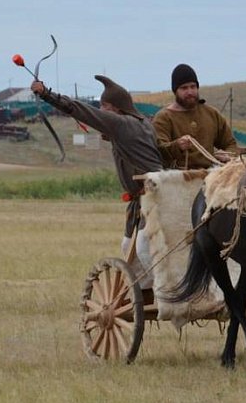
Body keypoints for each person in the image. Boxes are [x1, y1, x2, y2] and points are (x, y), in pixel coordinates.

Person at [31, 75, 162, 290]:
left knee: (143, 249)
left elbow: (81, 110)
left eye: (105, 107)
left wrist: (46, 94)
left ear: (117, 109)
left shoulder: (121, 123)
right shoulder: (141, 123)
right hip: (141, 199)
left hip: (153, 197)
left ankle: (169, 293)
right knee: (128, 245)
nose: (101, 111)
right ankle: (144, 294)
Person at [153, 63, 238, 169]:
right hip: (177, 175)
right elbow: (159, 150)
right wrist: (177, 146)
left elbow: (230, 143)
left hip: (210, 174)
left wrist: (227, 155)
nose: (190, 92)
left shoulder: (211, 114)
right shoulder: (163, 118)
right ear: (175, 91)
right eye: (184, 88)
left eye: (193, 87)